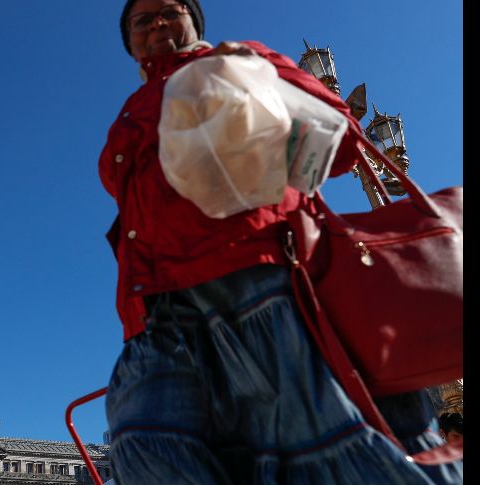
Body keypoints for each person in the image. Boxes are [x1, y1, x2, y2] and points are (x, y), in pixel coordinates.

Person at [98, 1, 463, 483]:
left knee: (340, 453)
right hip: (154, 318)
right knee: (144, 446)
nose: (158, 23)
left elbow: (341, 142)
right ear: (130, 43)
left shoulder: (244, 60)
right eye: (143, 20)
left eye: (171, 11)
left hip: (265, 284)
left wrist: (260, 86)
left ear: (194, 24)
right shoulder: (128, 115)